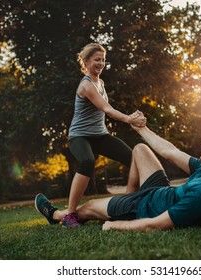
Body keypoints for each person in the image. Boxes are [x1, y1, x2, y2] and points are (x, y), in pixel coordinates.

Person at [35, 123, 201, 231]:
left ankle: (54, 215)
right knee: (140, 149)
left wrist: (114, 225)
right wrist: (141, 128)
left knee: (87, 207)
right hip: (159, 191)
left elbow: (154, 225)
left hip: (143, 207)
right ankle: (122, 204)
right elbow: (169, 151)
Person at [36, 43, 146, 229]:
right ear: (86, 61)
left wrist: (130, 119)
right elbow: (107, 109)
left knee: (134, 158)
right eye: (97, 59)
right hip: (79, 137)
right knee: (87, 161)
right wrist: (130, 119)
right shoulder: (86, 85)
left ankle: (133, 203)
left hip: (99, 135)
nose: (101, 63)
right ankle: (70, 216)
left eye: (103, 60)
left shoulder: (100, 83)